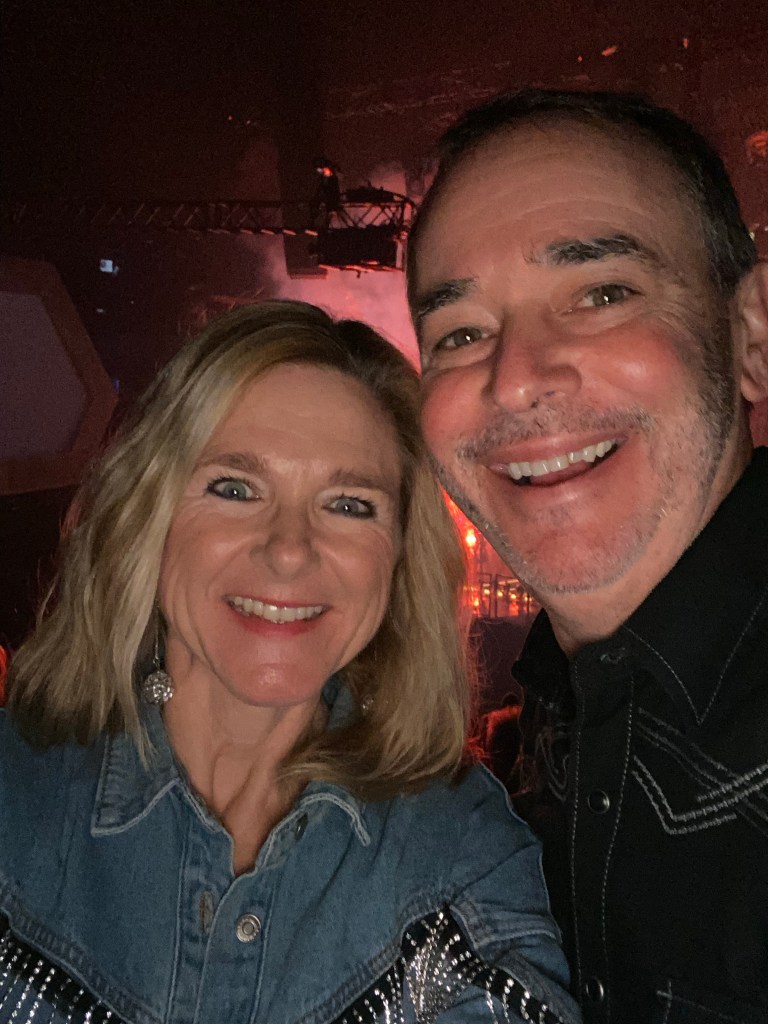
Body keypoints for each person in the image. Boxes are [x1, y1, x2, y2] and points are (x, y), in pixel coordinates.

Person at [0, 300, 579, 1024]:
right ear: (150, 516)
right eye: (235, 488)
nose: (288, 550)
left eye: (349, 504)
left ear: (399, 560)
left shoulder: (459, 856)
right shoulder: (16, 803)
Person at [406, 89, 768, 1023]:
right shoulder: (554, 722)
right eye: (461, 333)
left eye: (602, 293)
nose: (516, 377)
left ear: (751, 335)